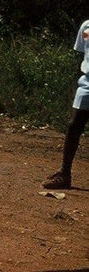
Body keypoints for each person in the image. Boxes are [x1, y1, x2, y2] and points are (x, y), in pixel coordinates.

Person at [42, 19, 89, 189]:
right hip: (87, 85)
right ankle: (64, 173)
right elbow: (82, 57)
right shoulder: (86, 27)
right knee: (74, 126)